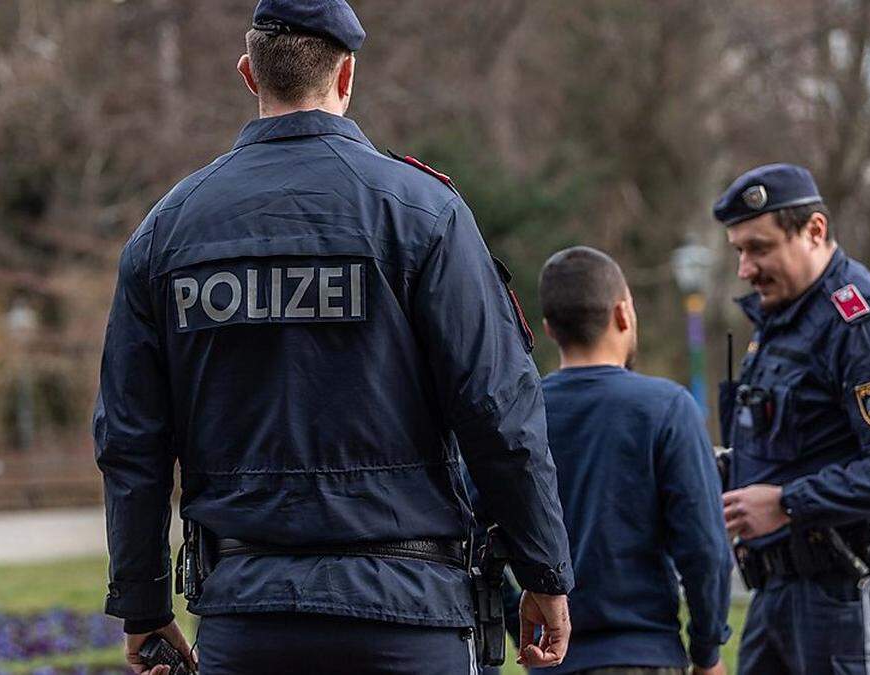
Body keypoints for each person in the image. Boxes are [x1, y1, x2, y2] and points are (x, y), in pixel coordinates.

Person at [92, 1, 574, 673]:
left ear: (248, 74)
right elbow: (498, 410)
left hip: (247, 616)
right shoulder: (422, 215)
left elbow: (131, 439)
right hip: (409, 613)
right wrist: (544, 569)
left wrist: (143, 606)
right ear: (346, 76)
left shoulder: (167, 231)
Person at [715, 163, 870, 674]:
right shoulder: (784, 320)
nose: (745, 269)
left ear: (815, 231)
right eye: (739, 251)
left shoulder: (862, 325)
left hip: (845, 591)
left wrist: (789, 504)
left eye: (759, 248)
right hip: (777, 591)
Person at [531, 246, 731, 675]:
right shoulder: (666, 408)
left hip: (554, 661)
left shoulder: (521, 416)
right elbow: (705, 547)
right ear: (623, 314)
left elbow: (475, 535)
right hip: (644, 654)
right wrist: (707, 649)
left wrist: (525, 629)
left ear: (548, 328)